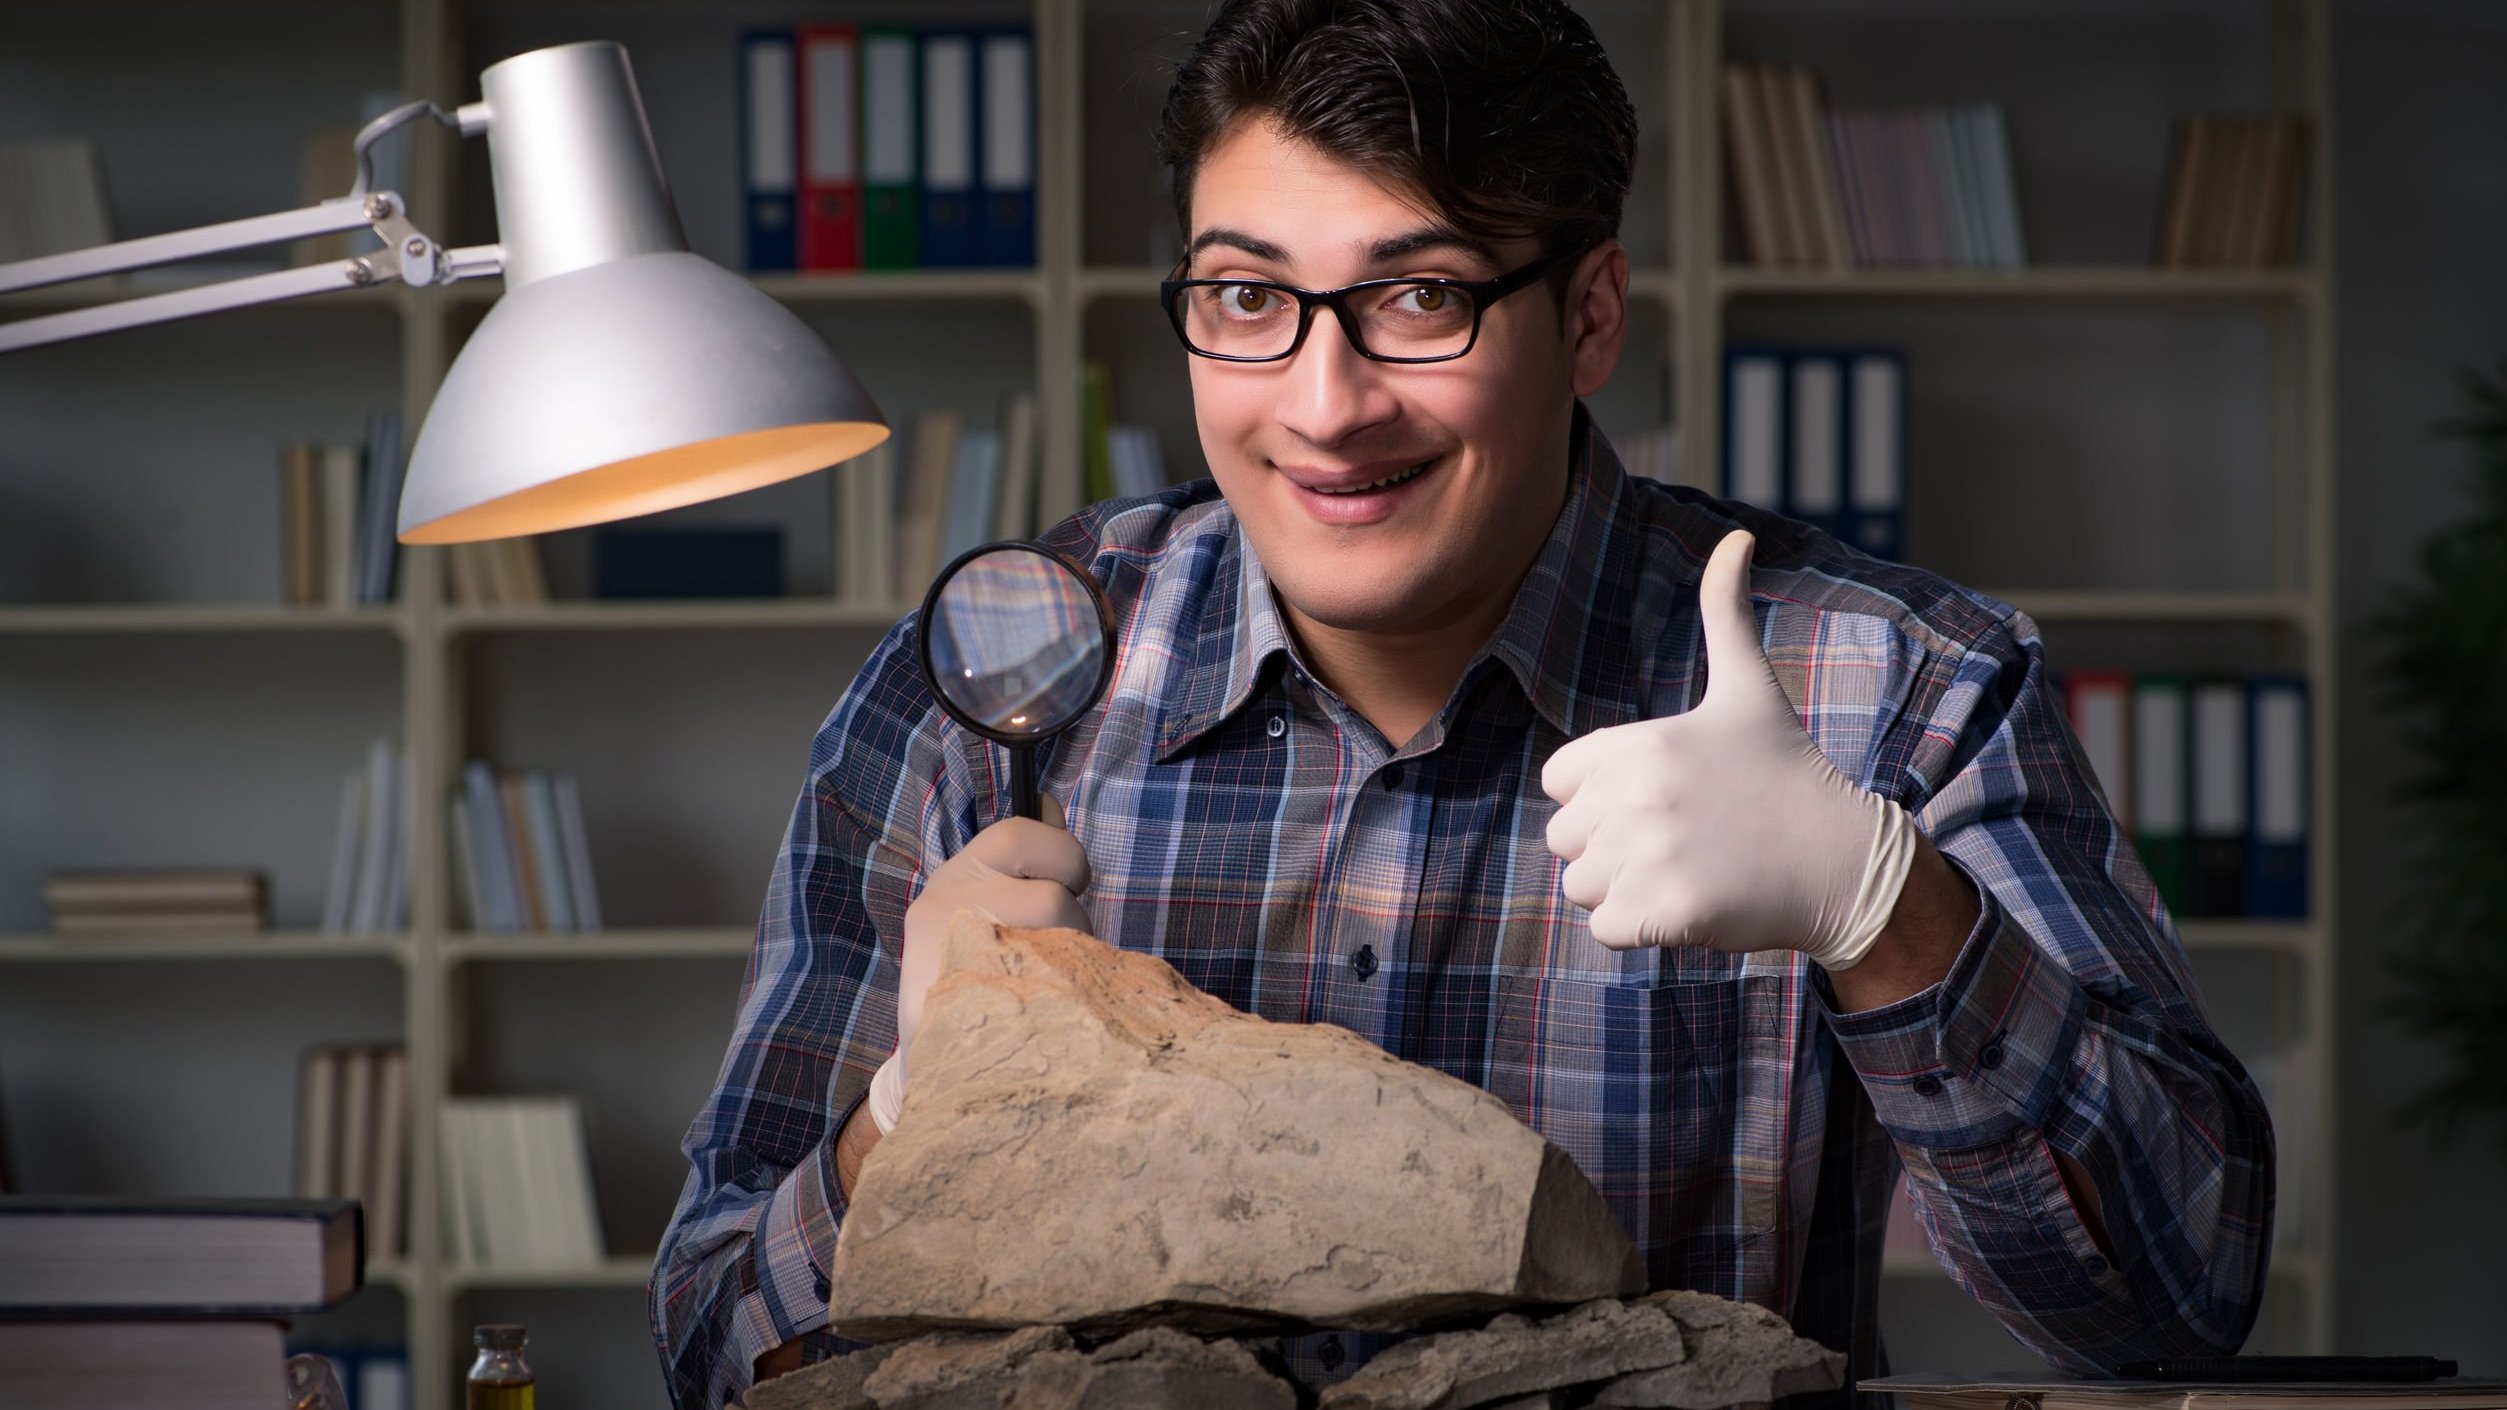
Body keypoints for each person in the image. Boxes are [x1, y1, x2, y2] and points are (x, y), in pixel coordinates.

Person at [649, 2, 2275, 1406]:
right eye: (1244, 296)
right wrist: (907, 1114)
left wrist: (1887, 907)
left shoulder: (1891, 691)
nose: (1324, 402)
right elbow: (717, 1351)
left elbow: (2168, 1305)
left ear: (1586, 315)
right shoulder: (991, 695)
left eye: (1417, 297)